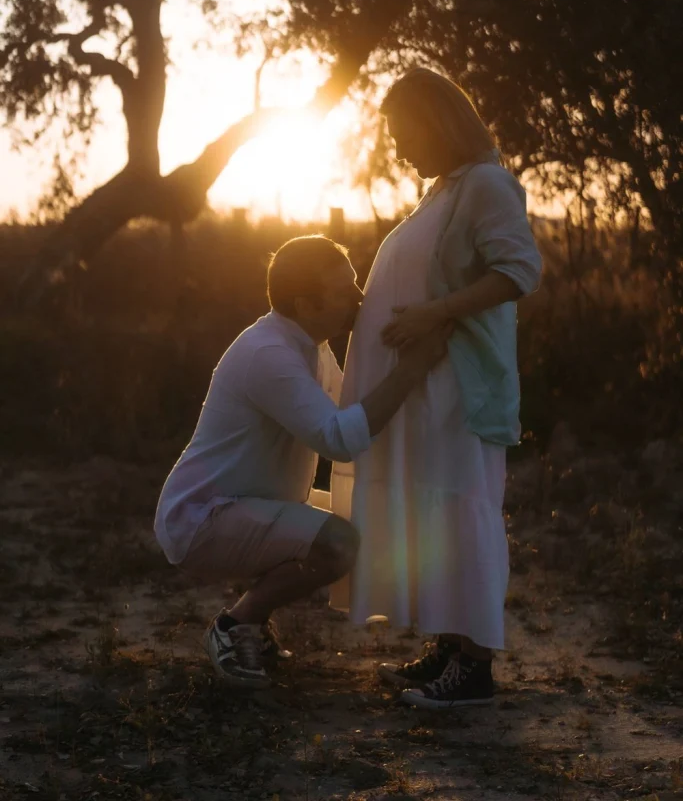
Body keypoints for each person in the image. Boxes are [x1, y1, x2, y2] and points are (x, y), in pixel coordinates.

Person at [331, 68, 542, 710]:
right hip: (430, 393)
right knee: (437, 515)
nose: (398, 149)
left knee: (460, 510)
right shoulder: (446, 189)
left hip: (460, 390)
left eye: (403, 133)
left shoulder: (486, 184)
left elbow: (518, 271)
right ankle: (450, 647)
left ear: (436, 122)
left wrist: (432, 314)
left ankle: (474, 670)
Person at [154, 235, 448, 690]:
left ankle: (251, 623)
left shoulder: (312, 346)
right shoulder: (269, 355)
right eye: (344, 290)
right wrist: (412, 367)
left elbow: (354, 415)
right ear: (305, 304)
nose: (360, 298)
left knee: (366, 521)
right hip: (201, 519)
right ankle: (234, 626)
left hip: (246, 505)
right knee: (339, 542)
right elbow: (339, 438)